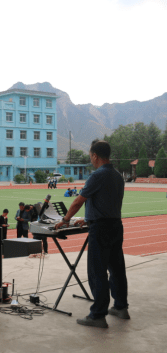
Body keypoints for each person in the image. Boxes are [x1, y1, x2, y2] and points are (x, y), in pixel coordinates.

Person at [55, 140, 128, 328]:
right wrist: (88, 219)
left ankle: (98, 315)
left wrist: (64, 220)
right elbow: (107, 203)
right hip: (115, 226)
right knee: (116, 268)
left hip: (101, 229)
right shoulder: (117, 176)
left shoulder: (97, 175)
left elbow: (78, 202)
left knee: (97, 272)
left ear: (95, 155)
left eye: (90, 155)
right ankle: (120, 307)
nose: (90, 158)